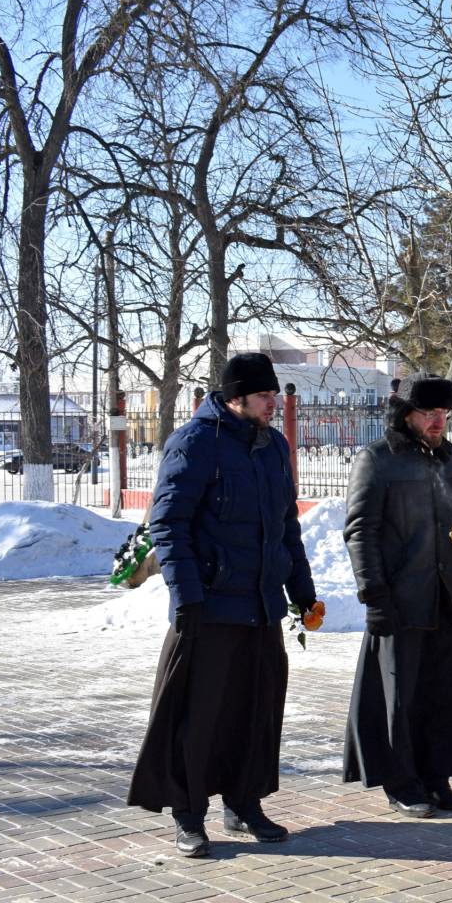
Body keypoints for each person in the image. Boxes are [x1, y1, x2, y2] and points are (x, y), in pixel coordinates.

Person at [127, 353, 316, 858]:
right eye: (264, 396)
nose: (273, 404)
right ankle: (189, 816)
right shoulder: (195, 443)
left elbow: (285, 525)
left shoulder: (273, 445)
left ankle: (244, 802)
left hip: (261, 606)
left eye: (274, 395)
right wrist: (187, 596)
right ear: (236, 398)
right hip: (209, 607)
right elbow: (169, 524)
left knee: (255, 712)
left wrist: (301, 589)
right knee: (200, 717)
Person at [343, 373, 452, 819]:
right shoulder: (377, 460)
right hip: (401, 598)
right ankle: (402, 782)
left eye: (444, 413)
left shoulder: (449, 457)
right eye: (429, 413)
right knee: (400, 697)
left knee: (444, 693)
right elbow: (360, 532)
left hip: (447, 594)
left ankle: (436, 776)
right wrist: (374, 595)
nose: (438, 421)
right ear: (406, 415)